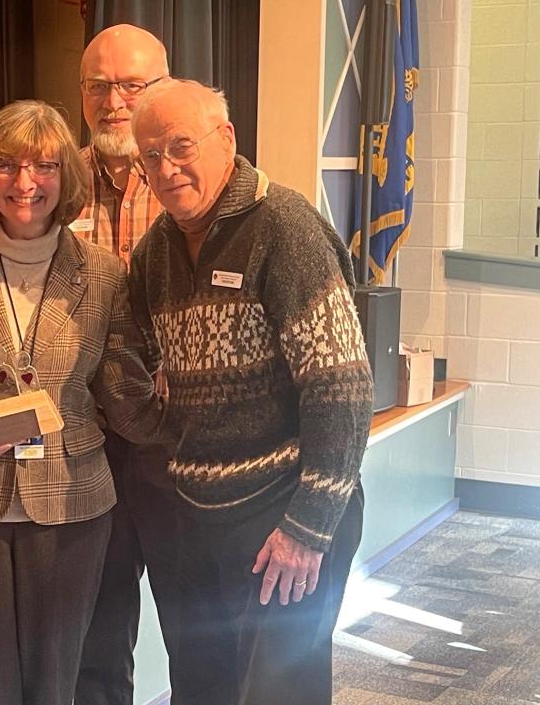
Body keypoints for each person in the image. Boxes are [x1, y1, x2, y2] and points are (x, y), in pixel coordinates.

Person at [0, 100, 168, 705]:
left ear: (65, 177)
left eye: (43, 166)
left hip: (73, 505)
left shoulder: (102, 274)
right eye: (6, 165)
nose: (24, 183)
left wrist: (193, 422)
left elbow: (122, 390)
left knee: (57, 686)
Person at [128, 78, 373, 705]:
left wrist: (308, 528)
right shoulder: (155, 251)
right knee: (203, 690)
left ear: (226, 138)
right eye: (150, 155)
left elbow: (341, 388)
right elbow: (127, 356)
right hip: (199, 516)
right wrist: (163, 436)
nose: (166, 167)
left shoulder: (284, 228)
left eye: (181, 145)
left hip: (283, 516)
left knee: (276, 694)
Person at [71, 24, 185, 705]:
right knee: (98, 635)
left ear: (163, 88)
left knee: (197, 630)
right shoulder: (50, 184)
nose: (115, 99)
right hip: (86, 445)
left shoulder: (189, 181)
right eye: (98, 85)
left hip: (175, 444)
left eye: (132, 84)